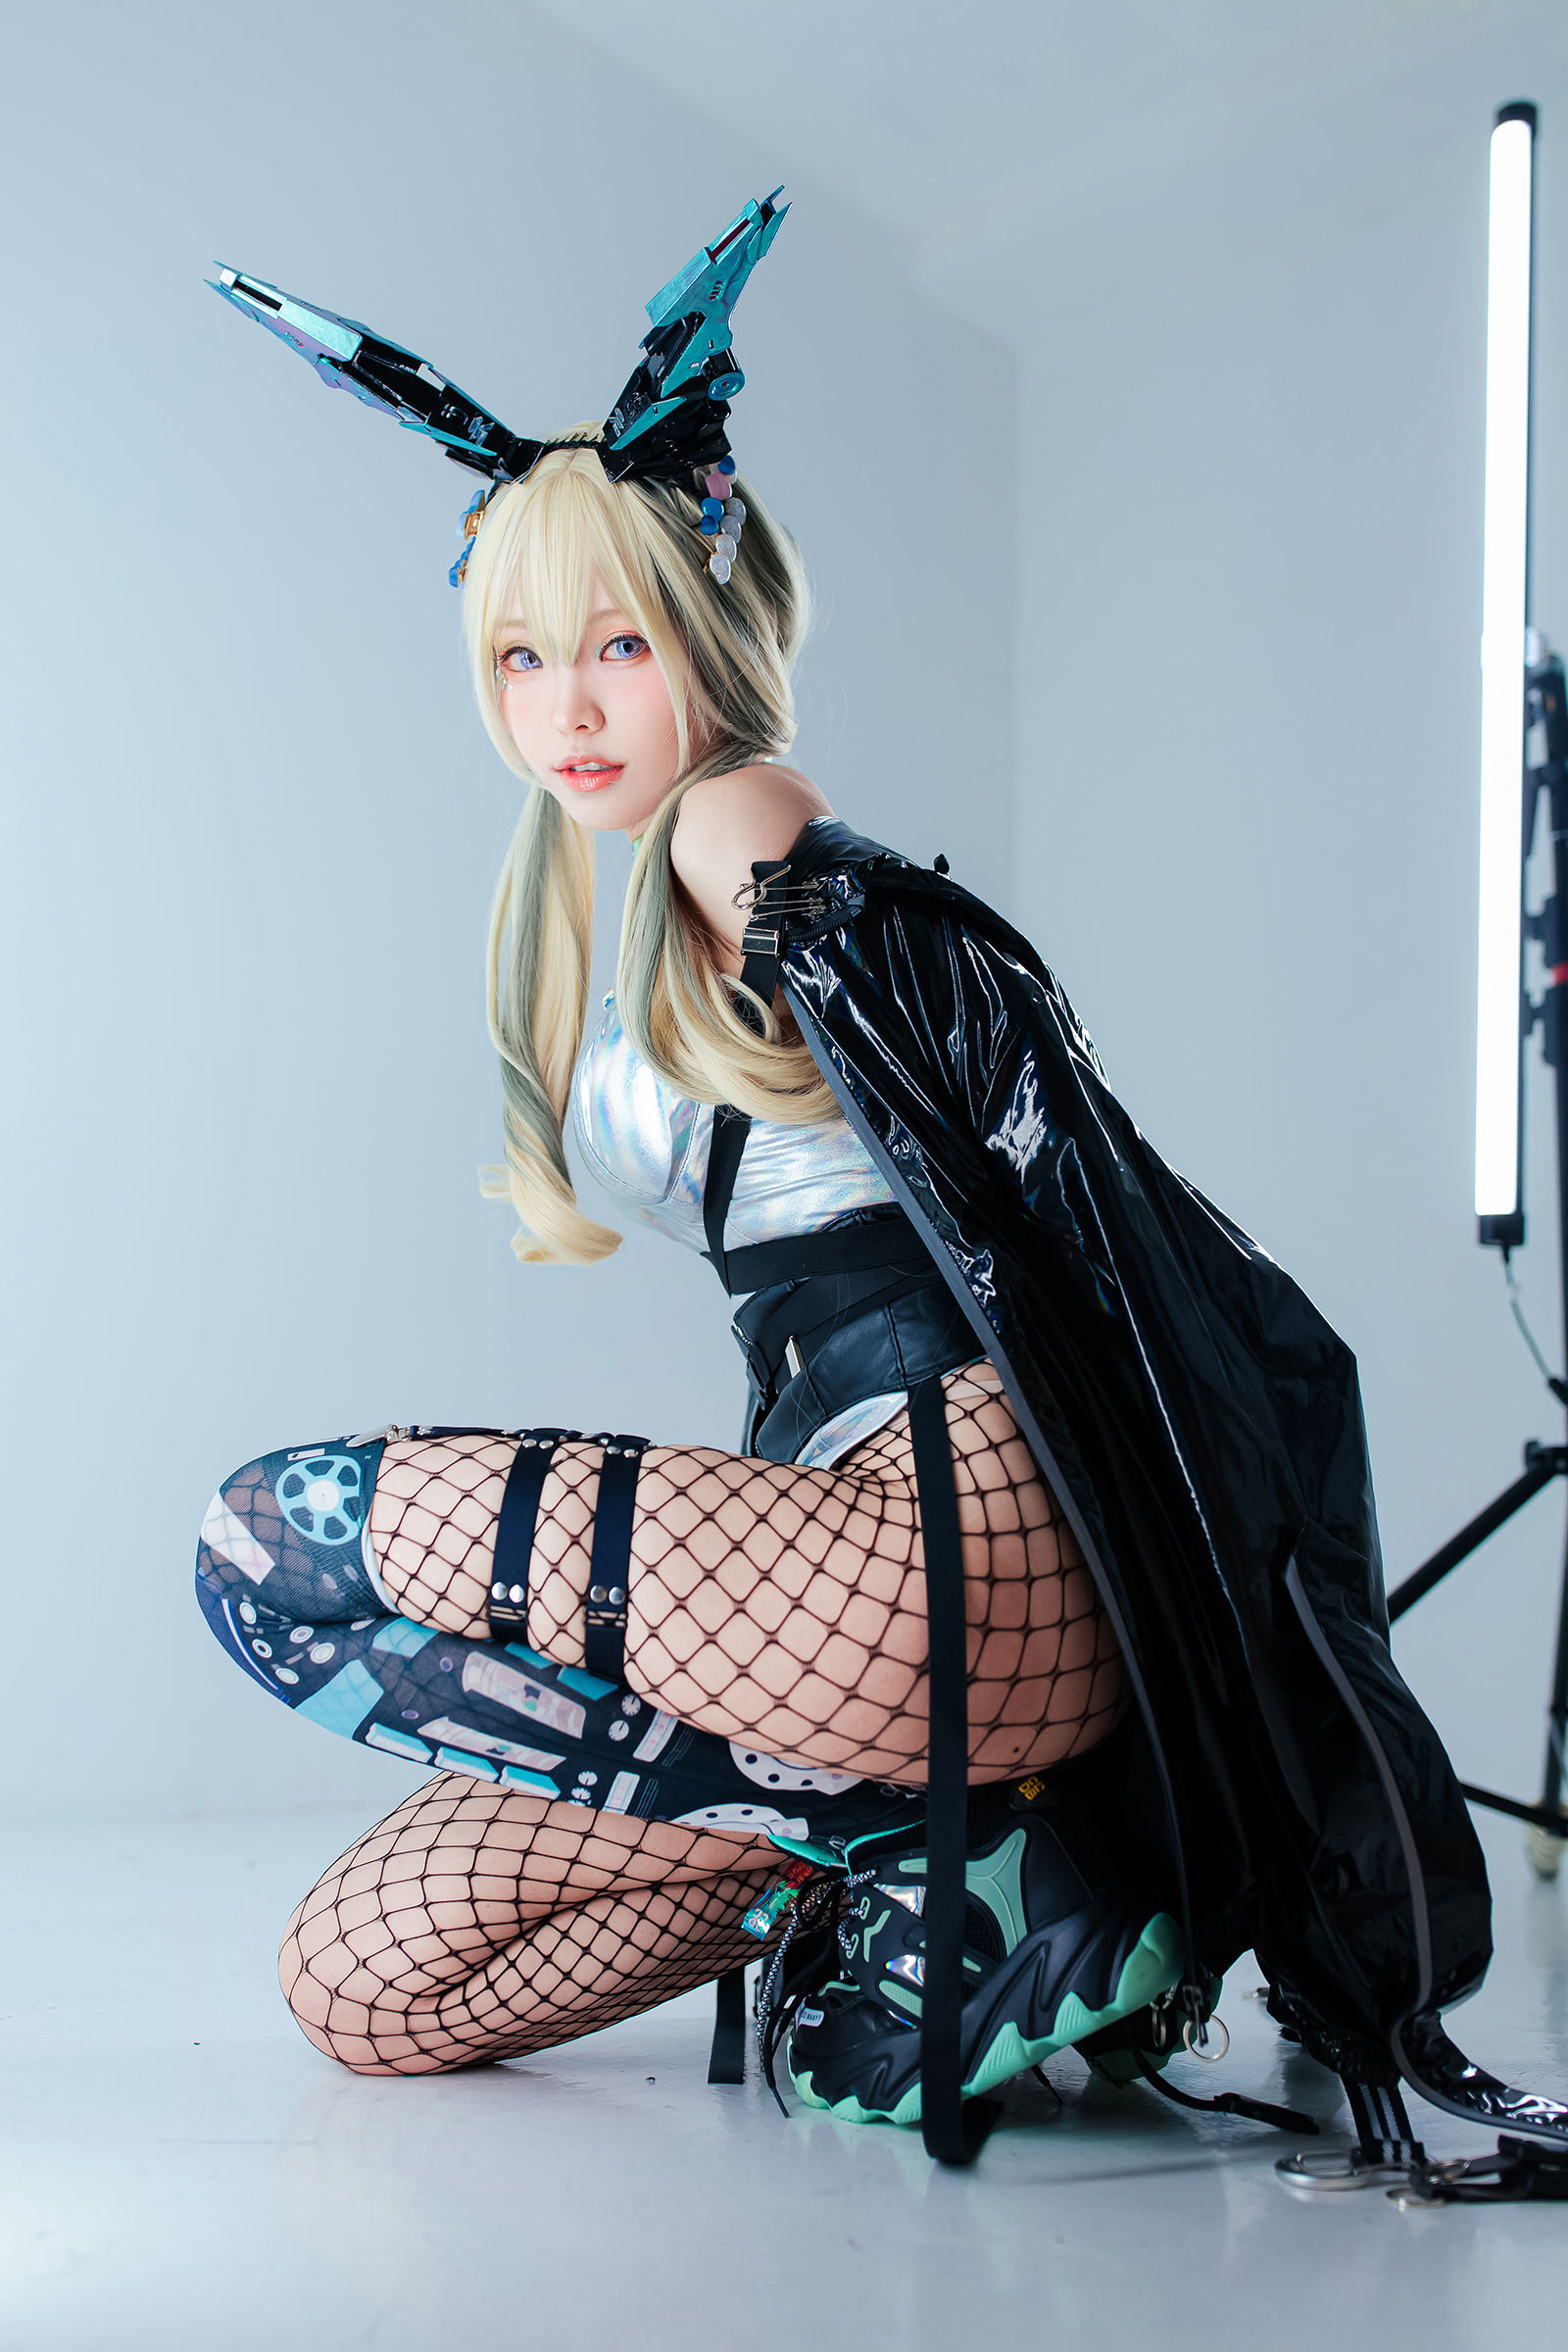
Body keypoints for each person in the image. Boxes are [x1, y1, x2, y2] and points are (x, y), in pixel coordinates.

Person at [198, 199, 1568, 2177]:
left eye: (617, 644)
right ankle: (971, 1858)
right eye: (520, 655)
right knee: (361, 1983)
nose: (566, 706)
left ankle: (967, 1835)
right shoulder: (628, 897)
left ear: (710, 635)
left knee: (268, 1544)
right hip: (875, 1620)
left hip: (941, 1548)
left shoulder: (732, 814)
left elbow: (911, 987)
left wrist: (843, 930)